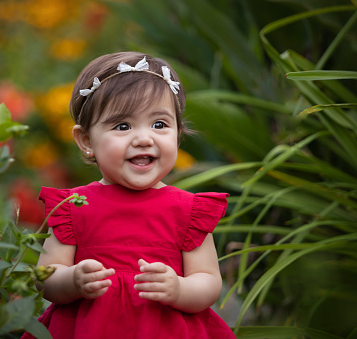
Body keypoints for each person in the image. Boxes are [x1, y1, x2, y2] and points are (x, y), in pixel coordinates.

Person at [22, 52, 236, 338]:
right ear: (86, 141)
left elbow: (208, 282)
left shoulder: (188, 210)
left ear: (178, 133)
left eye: (159, 124)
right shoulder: (72, 206)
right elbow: (45, 276)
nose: (144, 138)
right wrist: (72, 280)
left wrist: (179, 288)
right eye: (123, 126)